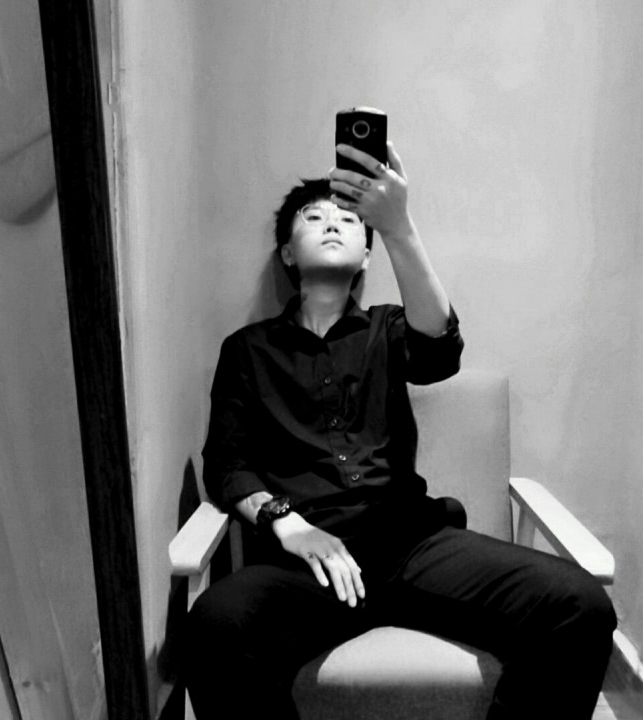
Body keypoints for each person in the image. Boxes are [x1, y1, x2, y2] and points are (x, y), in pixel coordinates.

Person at [185, 141, 616, 719]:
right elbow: (227, 464)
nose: (332, 223)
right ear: (287, 252)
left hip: (412, 545)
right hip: (308, 564)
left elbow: (439, 352)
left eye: (348, 219)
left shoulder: (388, 327)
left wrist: (398, 226)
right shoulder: (248, 350)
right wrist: (286, 522)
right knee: (214, 623)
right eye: (313, 217)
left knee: (580, 604)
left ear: (367, 254)